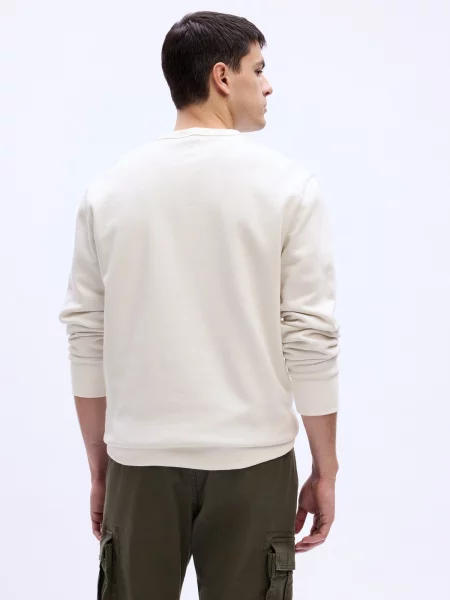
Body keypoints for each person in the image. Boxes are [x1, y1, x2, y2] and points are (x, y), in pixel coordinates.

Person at [58, 10, 340, 600]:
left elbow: (86, 334)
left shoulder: (109, 191)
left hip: (140, 461)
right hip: (254, 461)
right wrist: (325, 467)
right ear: (222, 76)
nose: (268, 85)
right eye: (258, 69)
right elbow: (310, 336)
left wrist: (100, 466)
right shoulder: (288, 187)